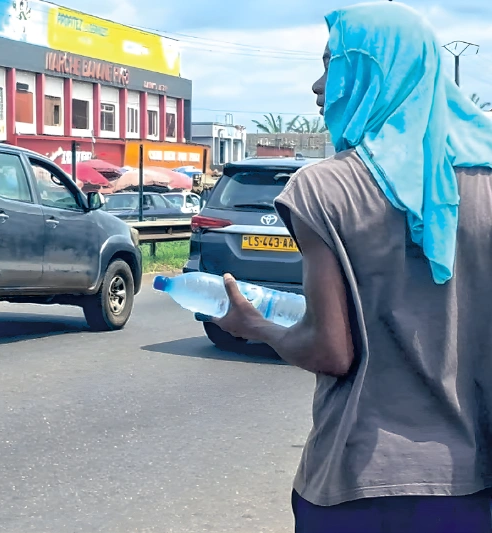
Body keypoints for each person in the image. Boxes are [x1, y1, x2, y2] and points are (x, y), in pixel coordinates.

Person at [210, 3, 492, 532]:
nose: (317, 86)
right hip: (477, 484)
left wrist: (256, 326)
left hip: (361, 478)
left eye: (332, 64)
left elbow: (329, 351)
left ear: (374, 73)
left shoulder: (323, 189)